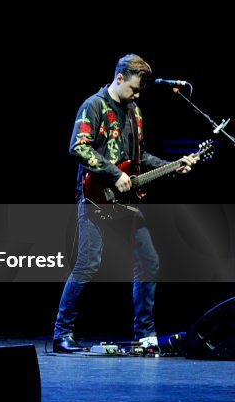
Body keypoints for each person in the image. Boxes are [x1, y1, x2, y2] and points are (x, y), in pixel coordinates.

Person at [52, 53, 197, 353]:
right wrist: (114, 173)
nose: (136, 94)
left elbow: (140, 158)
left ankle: (145, 334)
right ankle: (61, 333)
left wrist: (173, 165)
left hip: (126, 201)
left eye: (140, 91)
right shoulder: (94, 106)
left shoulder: (135, 112)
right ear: (119, 78)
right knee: (88, 264)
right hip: (95, 198)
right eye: (133, 88)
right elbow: (77, 147)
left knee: (149, 261)